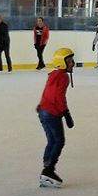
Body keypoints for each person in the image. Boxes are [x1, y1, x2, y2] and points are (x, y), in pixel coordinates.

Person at [36, 47, 75, 187]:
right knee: (59, 141)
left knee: (51, 140)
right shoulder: (63, 77)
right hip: (52, 112)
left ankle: (46, 168)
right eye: (70, 61)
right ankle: (48, 170)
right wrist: (66, 113)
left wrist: (41, 106)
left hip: (43, 111)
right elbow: (59, 97)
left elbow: (48, 92)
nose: (73, 63)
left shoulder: (53, 74)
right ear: (62, 62)